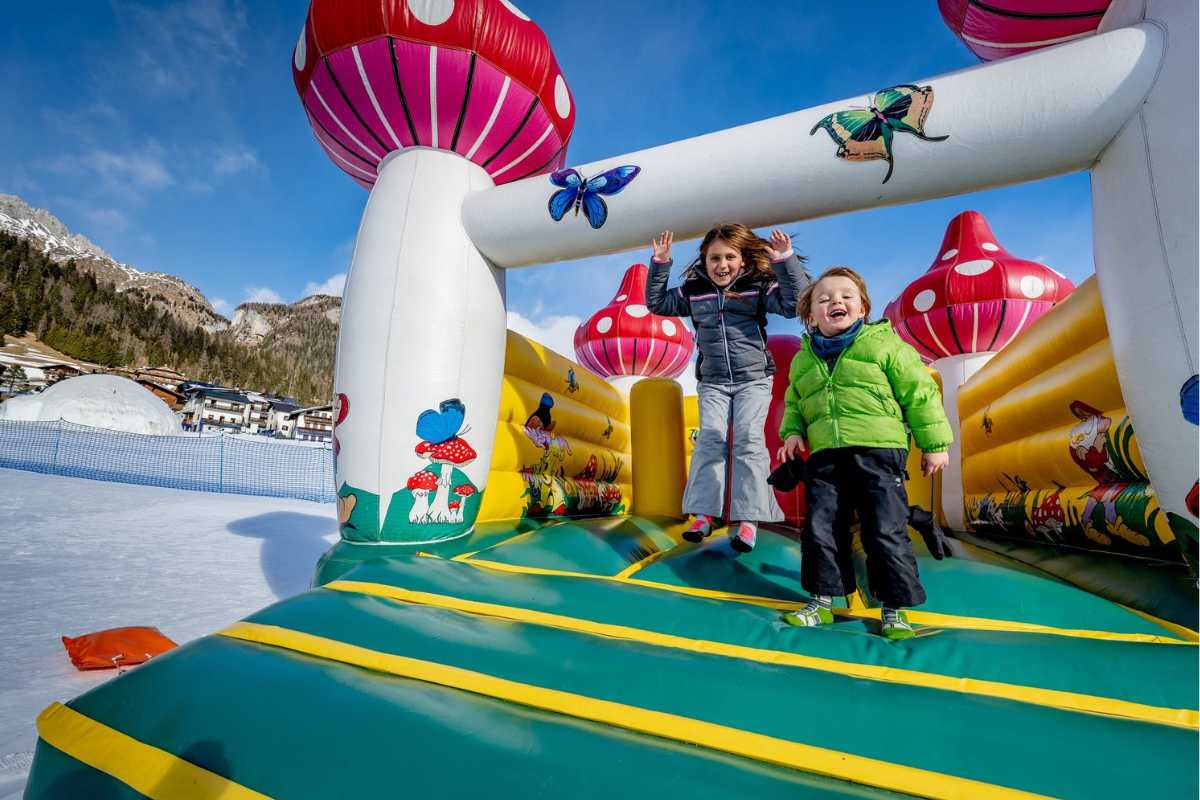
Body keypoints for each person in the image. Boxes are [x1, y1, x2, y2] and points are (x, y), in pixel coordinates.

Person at [776, 267, 951, 639]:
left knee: (884, 530)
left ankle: (894, 609)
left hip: (878, 450)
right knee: (821, 528)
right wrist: (791, 432)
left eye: (845, 296)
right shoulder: (803, 359)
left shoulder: (885, 346)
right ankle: (822, 603)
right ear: (810, 316)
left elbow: (919, 394)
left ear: (862, 308)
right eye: (824, 299)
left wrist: (934, 443)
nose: (835, 302)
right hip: (825, 454)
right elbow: (794, 402)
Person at [647, 223, 810, 552]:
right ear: (704, 261)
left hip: (753, 378)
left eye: (729, 257)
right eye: (714, 258)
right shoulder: (694, 291)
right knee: (710, 441)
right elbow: (658, 303)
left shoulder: (757, 287)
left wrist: (785, 260)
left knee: (749, 441)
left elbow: (795, 304)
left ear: (743, 259)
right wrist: (661, 264)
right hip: (714, 381)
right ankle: (704, 514)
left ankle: (748, 520)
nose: (722, 265)